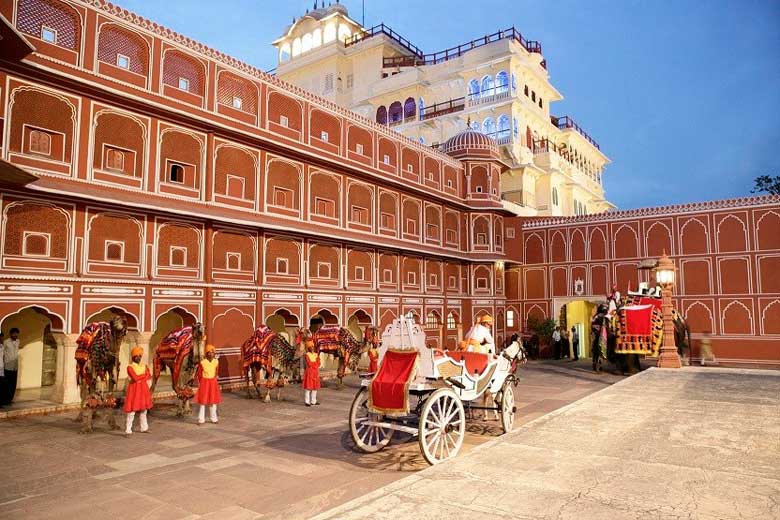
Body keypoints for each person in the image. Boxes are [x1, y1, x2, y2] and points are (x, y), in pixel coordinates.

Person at [124, 346, 152, 436]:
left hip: (143, 389)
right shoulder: (130, 367)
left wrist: (141, 377)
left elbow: (149, 375)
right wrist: (143, 376)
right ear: (133, 357)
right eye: (137, 356)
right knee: (132, 410)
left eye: (140, 356)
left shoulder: (144, 366)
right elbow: (135, 378)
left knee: (144, 410)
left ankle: (144, 428)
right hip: (134, 390)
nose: (139, 358)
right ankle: (128, 429)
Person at [194, 345, 221, 424]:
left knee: (213, 402)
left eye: (212, 353)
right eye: (209, 353)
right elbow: (199, 374)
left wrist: (214, 380)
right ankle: (201, 419)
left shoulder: (216, 362)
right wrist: (201, 383)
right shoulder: (202, 363)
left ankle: (214, 418)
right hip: (204, 383)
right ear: (206, 354)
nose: (211, 354)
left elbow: (216, 372)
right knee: (203, 402)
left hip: (213, 383)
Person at [1, 328, 21, 406]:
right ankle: (4, 400)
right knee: (6, 385)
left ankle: (10, 399)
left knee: (13, 384)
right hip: (7, 366)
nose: (16, 335)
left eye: (17, 334)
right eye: (14, 333)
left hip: (15, 366)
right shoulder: (6, 342)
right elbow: (2, 353)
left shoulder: (18, 341)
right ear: (10, 334)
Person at [303, 341, 321, 407]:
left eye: (313, 347)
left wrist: (315, 365)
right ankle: (307, 402)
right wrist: (315, 364)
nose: (312, 348)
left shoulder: (316, 354)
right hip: (309, 373)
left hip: (315, 373)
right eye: (310, 347)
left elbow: (319, 363)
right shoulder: (306, 355)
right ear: (308, 348)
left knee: (315, 388)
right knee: (308, 388)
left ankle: (313, 401)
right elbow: (309, 363)